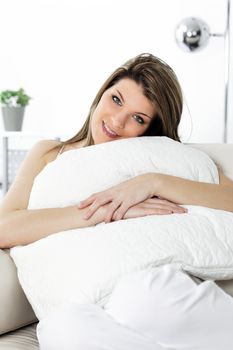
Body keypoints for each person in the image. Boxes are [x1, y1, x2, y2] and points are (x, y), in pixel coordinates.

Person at [0, 53, 233, 349]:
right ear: (102, 94)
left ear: (150, 130)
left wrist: (151, 182)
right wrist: (107, 211)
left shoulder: (160, 156)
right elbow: (4, 226)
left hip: (146, 285)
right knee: (62, 329)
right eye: (116, 99)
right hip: (77, 298)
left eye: (138, 118)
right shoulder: (49, 153)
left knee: (141, 298)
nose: (117, 120)